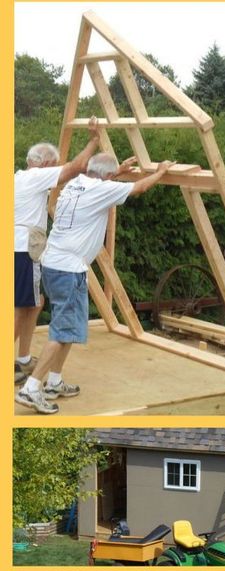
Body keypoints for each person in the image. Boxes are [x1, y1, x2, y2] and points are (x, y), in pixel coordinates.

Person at [15, 153, 176, 414]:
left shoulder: (76, 183)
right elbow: (141, 187)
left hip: (55, 264)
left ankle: (54, 382)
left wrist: (117, 172)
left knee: (65, 328)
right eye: (112, 176)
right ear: (107, 177)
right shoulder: (101, 190)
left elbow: (103, 185)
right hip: (67, 269)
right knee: (61, 330)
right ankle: (31, 388)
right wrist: (161, 170)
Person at [14, 117, 101, 384]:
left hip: (20, 249)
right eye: (54, 164)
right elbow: (76, 167)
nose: (55, 169)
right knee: (18, 308)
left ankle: (24, 359)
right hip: (22, 250)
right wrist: (94, 141)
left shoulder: (17, 178)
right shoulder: (36, 176)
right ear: (44, 164)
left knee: (34, 304)